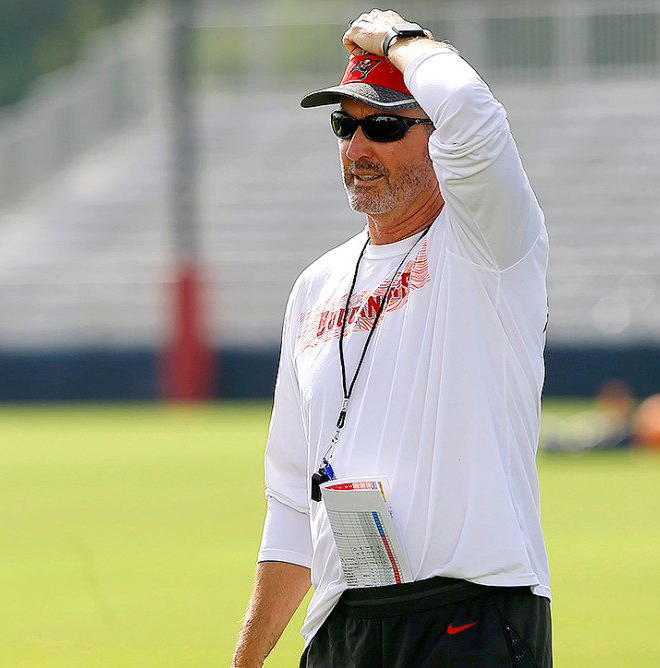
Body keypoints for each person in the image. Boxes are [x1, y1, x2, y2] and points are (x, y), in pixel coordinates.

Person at [230, 10, 552, 668]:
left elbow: (469, 106)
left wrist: (396, 41)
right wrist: (248, 657)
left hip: (471, 616)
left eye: (383, 125)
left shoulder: (490, 244)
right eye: (343, 125)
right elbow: (293, 495)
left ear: (439, 139)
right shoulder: (314, 286)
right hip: (342, 626)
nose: (356, 147)